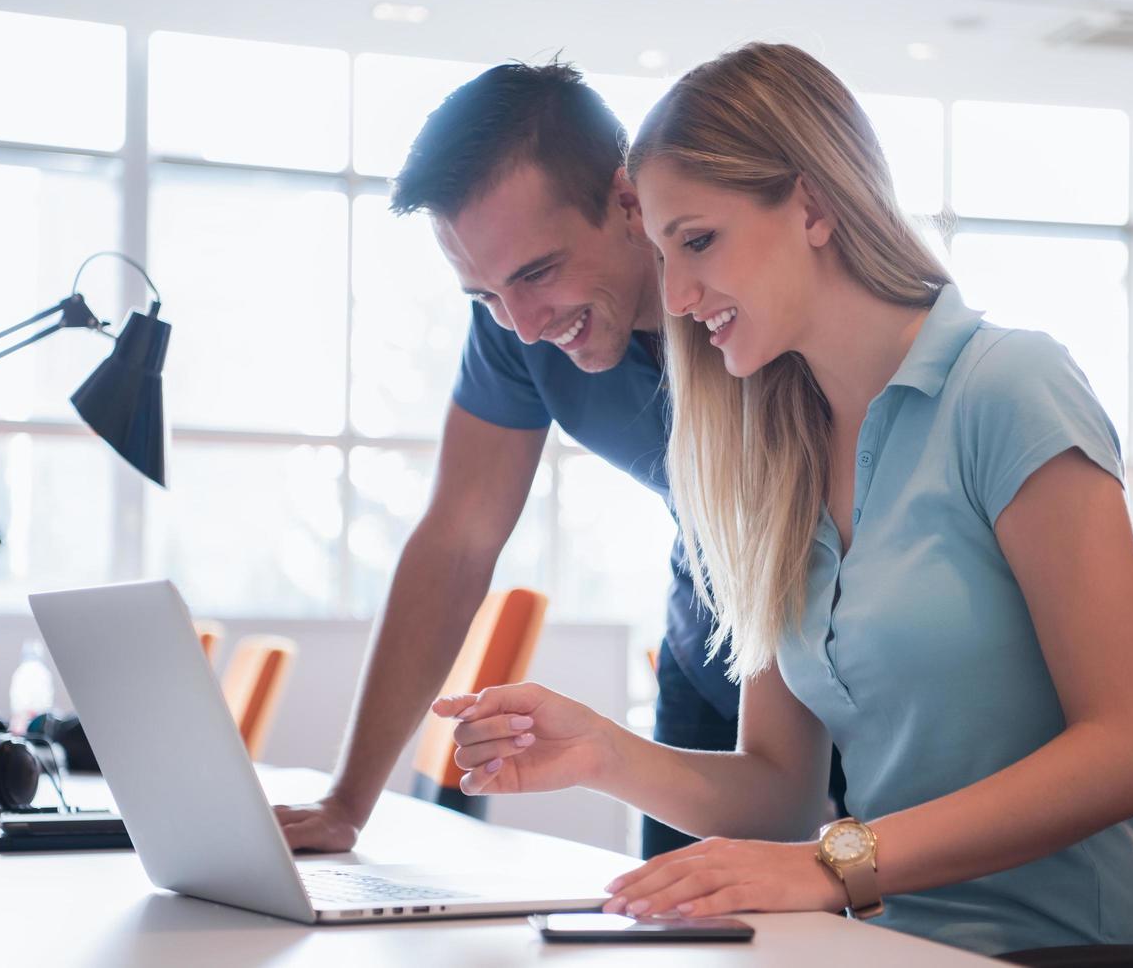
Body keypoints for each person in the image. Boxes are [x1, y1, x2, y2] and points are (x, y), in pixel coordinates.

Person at [433, 43, 1133, 957]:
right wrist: (600, 752)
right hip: (885, 941)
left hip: (1060, 945)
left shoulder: (1007, 387)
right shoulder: (773, 452)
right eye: (663, 251)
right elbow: (782, 786)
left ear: (814, 206)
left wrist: (835, 865)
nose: (675, 296)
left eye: (699, 241)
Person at [273, 61, 845, 859]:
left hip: (846, 662)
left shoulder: (749, 312)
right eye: (484, 296)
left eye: (537, 273)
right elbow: (455, 543)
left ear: (626, 203)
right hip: (714, 654)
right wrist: (346, 805)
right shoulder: (512, 333)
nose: (525, 326)